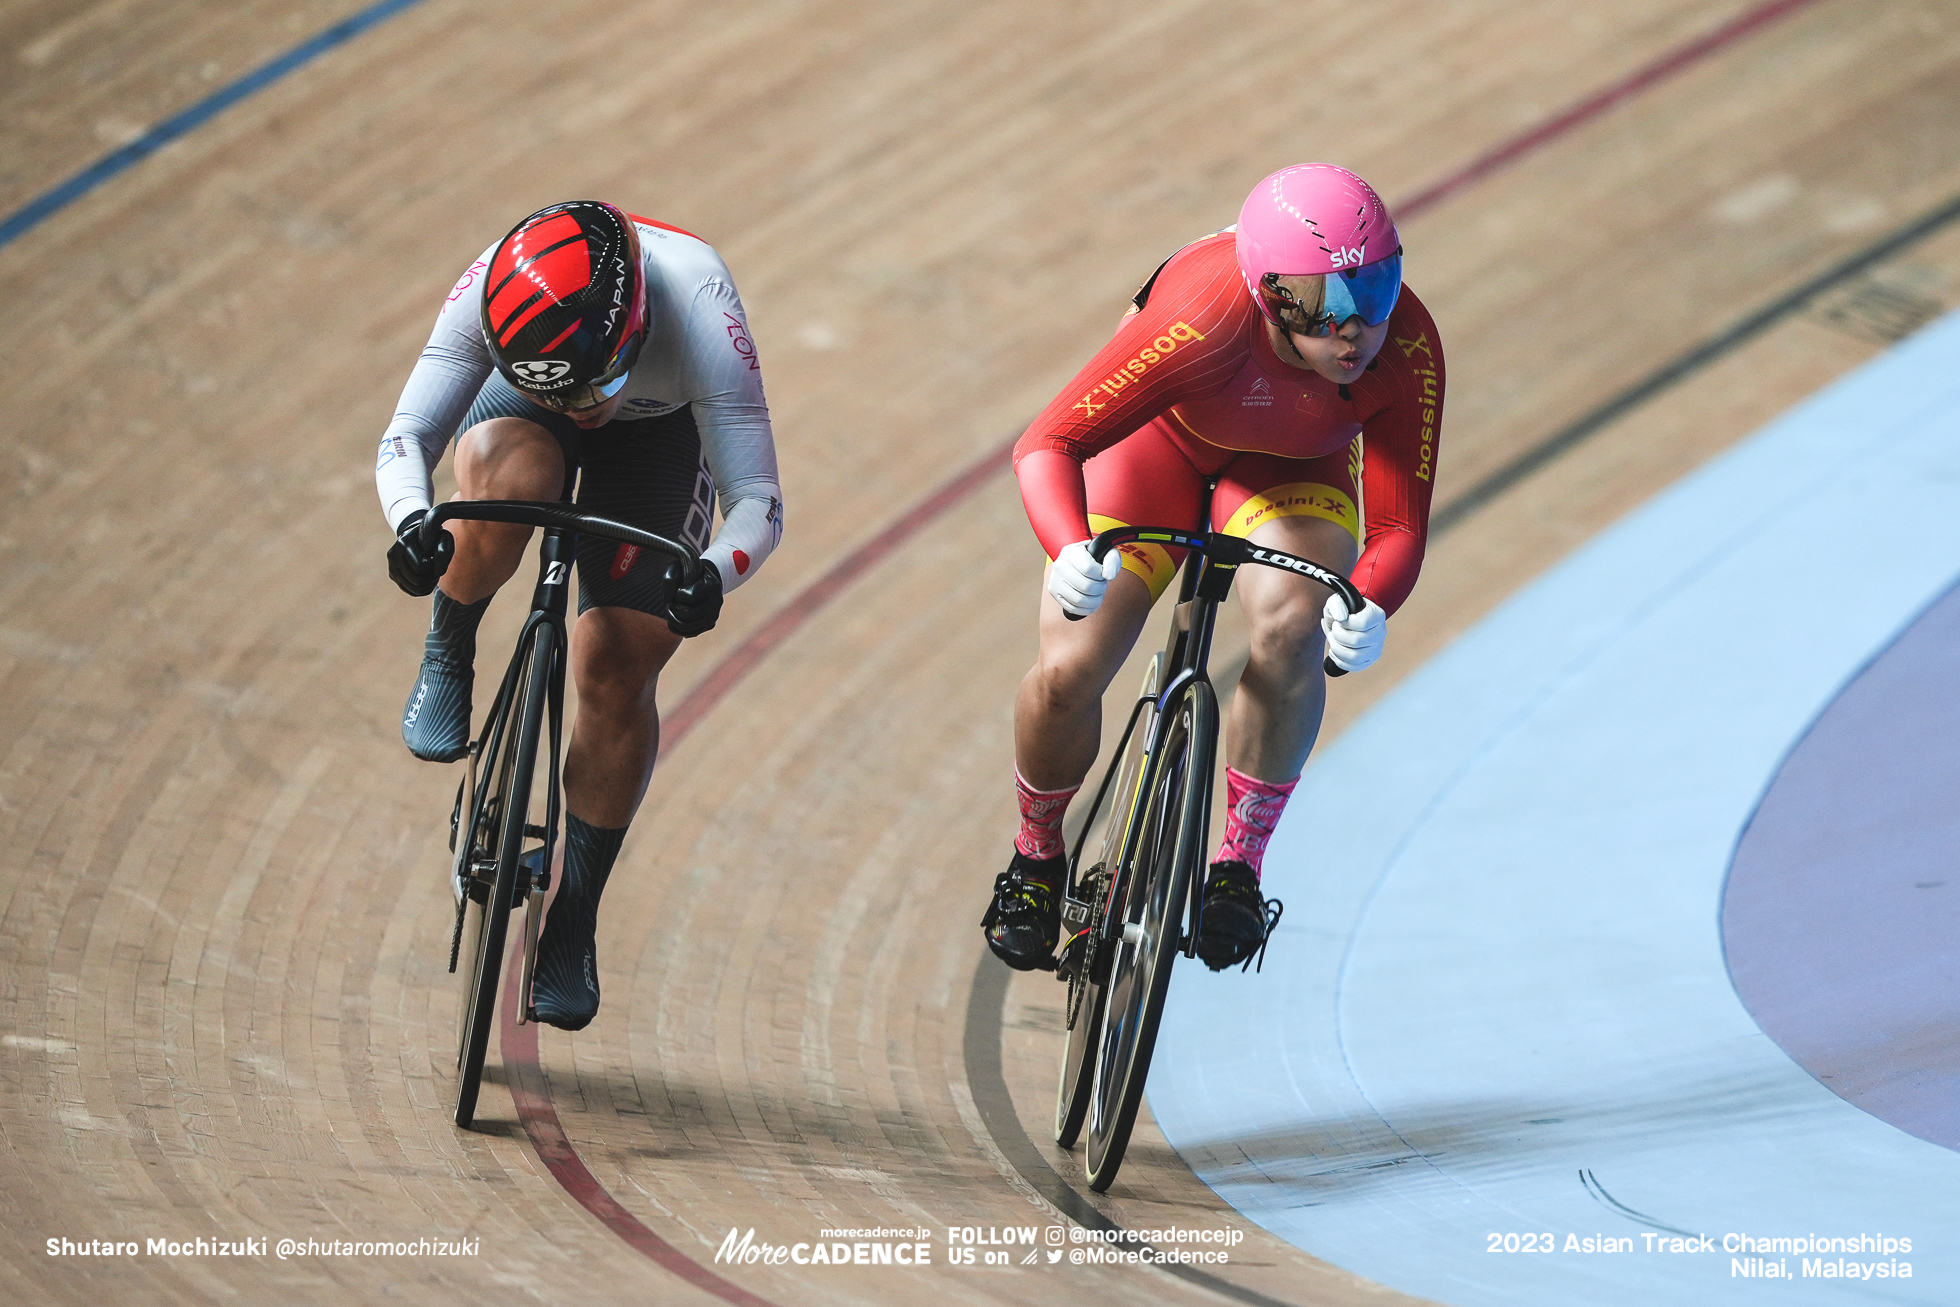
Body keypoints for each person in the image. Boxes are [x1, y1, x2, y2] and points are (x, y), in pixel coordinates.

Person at [982, 164, 1445, 973]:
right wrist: (1066, 547)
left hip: (1289, 477)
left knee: (1297, 626)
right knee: (1070, 666)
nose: (1358, 330)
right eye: (1333, 306)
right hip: (1157, 445)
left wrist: (1369, 602)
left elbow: (1400, 524)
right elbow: (1047, 444)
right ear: (1270, 296)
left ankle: (1237, 862)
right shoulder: (1204, 314)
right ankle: (1036, 856)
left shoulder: (1404, 346)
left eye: (1377, 291)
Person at [376, 200, 783, 1029]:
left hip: (660, 440)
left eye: (602, 381)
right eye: (571, 391)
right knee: (497, 496)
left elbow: (758, 499)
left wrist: (713, 573)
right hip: (519, 413)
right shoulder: (494, 291)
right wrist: (416, 526)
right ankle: (449, 648)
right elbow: (407, 435)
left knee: (622, 656)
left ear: (637, 327)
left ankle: (575, 911)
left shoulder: (701, 305)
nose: (586, 406)